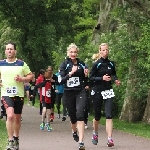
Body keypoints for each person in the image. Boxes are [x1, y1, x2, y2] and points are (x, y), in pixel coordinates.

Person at [0, 42, 33, 150]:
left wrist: (22, 79)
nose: (9, 51)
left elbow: (31, 76)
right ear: (5, 51)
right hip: (6, 94)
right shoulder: (1, 63)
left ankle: (16, 138)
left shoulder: (21, 64)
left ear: (15, 51)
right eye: (7, 49)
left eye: (11, 49)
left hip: (18, 94)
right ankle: (10, 141)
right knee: (10, 115)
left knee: (17, 118)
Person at [89, 43, 121, 147]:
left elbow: (114, 74)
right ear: (100, 51)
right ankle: (95, 132)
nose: (105, 52)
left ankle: (110, 139)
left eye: (107, 50)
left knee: (109, 115)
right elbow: (91, 78)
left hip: (108, 91)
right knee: (97, 116)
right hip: (98, 91)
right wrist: (101, 78)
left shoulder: (111, 63)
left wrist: (116, 80)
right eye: (103, 50)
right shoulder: (96, 64)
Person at [59, 43, 88, 150]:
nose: (73, 54)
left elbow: (86, 80)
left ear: (77, 53)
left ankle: (81, 142)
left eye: (75, 52)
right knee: (73, 116)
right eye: (71, 52)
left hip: (80, 91)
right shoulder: (64, 64)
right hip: (68, 92)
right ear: (68, 53)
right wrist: (70, 73)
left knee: (80, 113)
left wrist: (86, 75)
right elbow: (61, 80)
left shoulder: (82, 64)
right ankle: (74, 131)